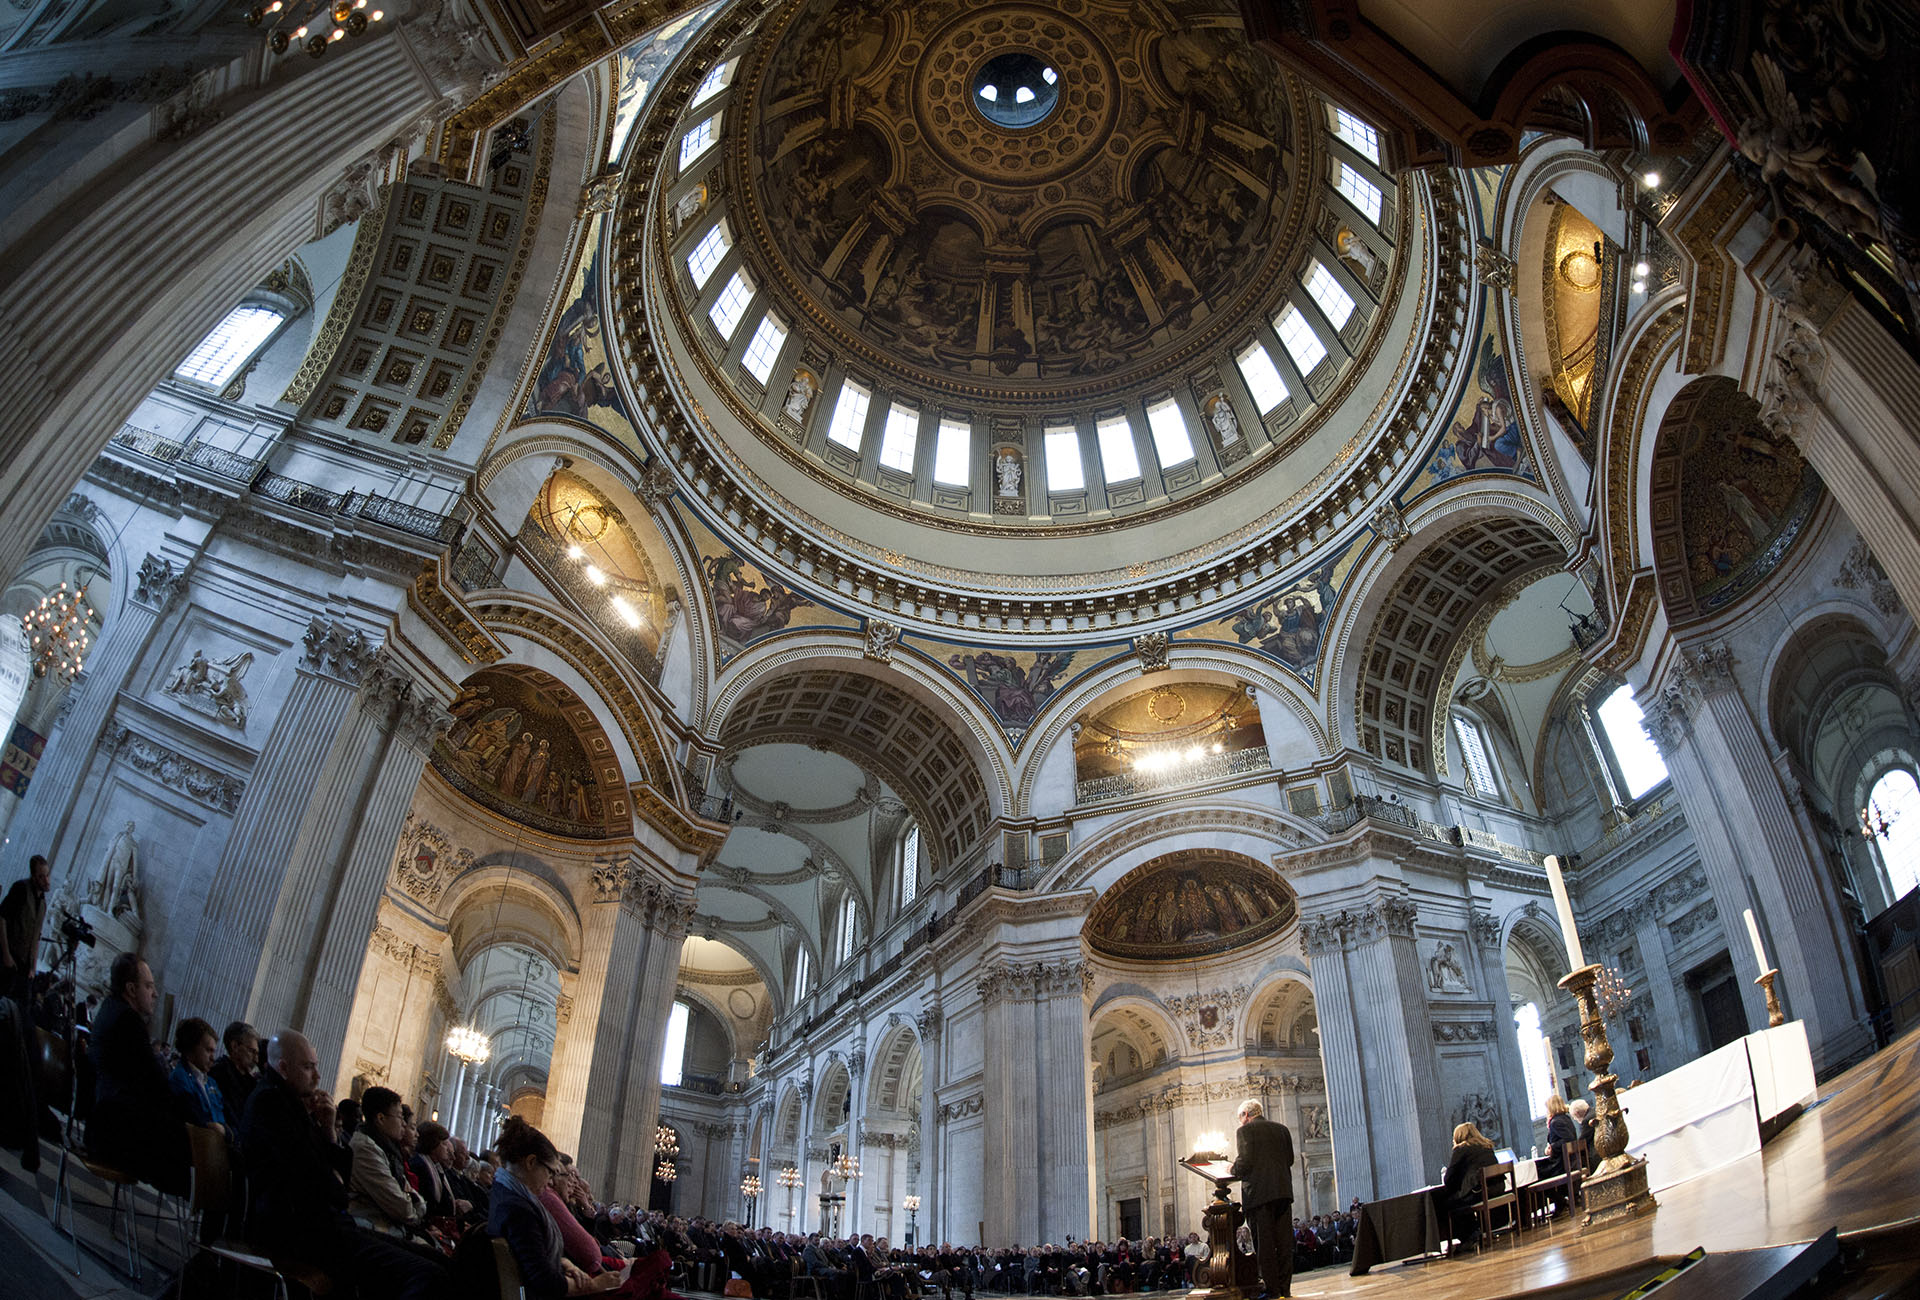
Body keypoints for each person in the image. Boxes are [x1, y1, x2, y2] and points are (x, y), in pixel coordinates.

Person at [241, 1031, 448, 1299]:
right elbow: (325, 1187)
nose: (317, 1076)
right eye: (308, 1067)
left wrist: (329, 1129)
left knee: (440, 1263)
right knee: (428, 1275)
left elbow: (337, 1180)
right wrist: (334, 1183)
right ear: (283, 1068)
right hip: (299, 1232)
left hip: (326, 1226)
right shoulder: (271, 1104)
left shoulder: (291, 1105)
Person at [491, 1114, 665, 1297]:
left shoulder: (505, 1193)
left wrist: (562, 1262)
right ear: (531, 1162)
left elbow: (531, 1258)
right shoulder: (519, 1209)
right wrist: (595, 1285)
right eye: (550, 1172)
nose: (550, 1180)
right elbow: (546, 1283)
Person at [88, 952, 187, 1192]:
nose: (154, 994)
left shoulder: (111, 1010)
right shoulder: (128, 1021)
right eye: (149, 986)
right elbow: (155, 1081)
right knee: (187, 1135)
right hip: (114, 1133)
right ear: (131, 989)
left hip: (104, 1119)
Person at [0, 854, 50, 1169]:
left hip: (23, 972)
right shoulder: (19, 889)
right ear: (33, 874)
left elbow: (35, 936)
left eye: (48, 875)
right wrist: (5, 954)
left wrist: (33, 966)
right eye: (43, 875)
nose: (47, 880)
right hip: (6, 963)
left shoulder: (43, 903)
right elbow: (2, 919)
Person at [1229, 1097, 1293, 1299]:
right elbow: (1289, 1160)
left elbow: (1245, 1163)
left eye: (1240, 1118)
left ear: (1245, 1115)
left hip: (1258, 1196)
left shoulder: (1245, 1131)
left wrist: (1232, 1168)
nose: (1240, 1122)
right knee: (1284, 1243)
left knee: (1264, 1245)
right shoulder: (1282, 1129)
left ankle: (1272, 1290)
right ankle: (1285, 1288)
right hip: (1283, 1193)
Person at [350, 1085, 430, 1239]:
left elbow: (410, 1193)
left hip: (392, 1229)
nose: (404, 1124)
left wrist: (414, 1204)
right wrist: (417, 1209)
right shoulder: (366, 1149)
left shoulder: (388, 1149)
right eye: (400, 1117)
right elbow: (402, 1208)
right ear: (381, 1118)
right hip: (372, 1230)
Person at [1440, 1122, 1499, 1251]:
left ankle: (1468, 1236)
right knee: (1460, 1199)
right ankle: (1476, 1230)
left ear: (1459, 1137)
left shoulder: (1461, 1149)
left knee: (1448, 1202)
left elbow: (1449, 1179)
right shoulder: (1486, 1146)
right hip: (1497, 1188)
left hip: (1479, 1191)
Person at [168, 1016, 225, 1131]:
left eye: (214, 1051)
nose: (213, 1058)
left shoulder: (211, 1083)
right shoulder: (179, 1079)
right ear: (191, 1047)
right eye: (208, 1050)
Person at [210, 1020, 259, 1125]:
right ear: (235, 1046)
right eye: (251, 1051)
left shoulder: (252, 1083)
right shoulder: (217, 1073)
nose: (256, 1060)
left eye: (257, 1054)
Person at [1570, 1098, 1595, 1171]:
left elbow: (1583, 1141)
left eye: (1574, 1117)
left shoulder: (1587, 1120)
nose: (1575, 1119)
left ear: (1577, 1114)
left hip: (1596, 1154)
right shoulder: (1594, 1111)